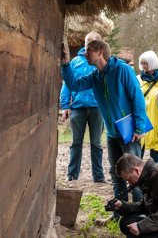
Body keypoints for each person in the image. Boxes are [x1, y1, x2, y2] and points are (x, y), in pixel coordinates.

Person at [61, 39, 147, 205]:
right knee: (117, 173)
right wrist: (65, 64)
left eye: (89, 51)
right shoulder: (95, 76)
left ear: (100, 52)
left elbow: (137, 98)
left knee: (135, 173)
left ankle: (139, 211)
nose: (85, 54)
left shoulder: (122, 70)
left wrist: (139, 126)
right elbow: (74, 84)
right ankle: (120, 211)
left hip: (129, 131)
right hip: (112, 132)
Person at [60, 32, 105, 183]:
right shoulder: (75, 62)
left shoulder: (101, 61)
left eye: (94, 43)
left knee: (96, 143)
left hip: (97, 107)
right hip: (78, 107)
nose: (90, 46)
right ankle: (72, 175)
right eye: (88, 43)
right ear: (85, 44)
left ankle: (98, 177)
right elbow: (67, 83)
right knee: (75, 143)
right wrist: (65, 105)